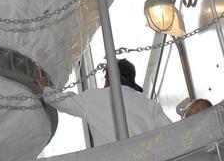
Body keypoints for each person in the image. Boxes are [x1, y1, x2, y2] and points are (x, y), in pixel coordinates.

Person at [43, 58, 172, 145]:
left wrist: (44, 88)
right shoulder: (151, 106)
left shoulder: (94, 98)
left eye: (105, 78)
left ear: (110, 77)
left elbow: (62, 101)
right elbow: (172, 135)